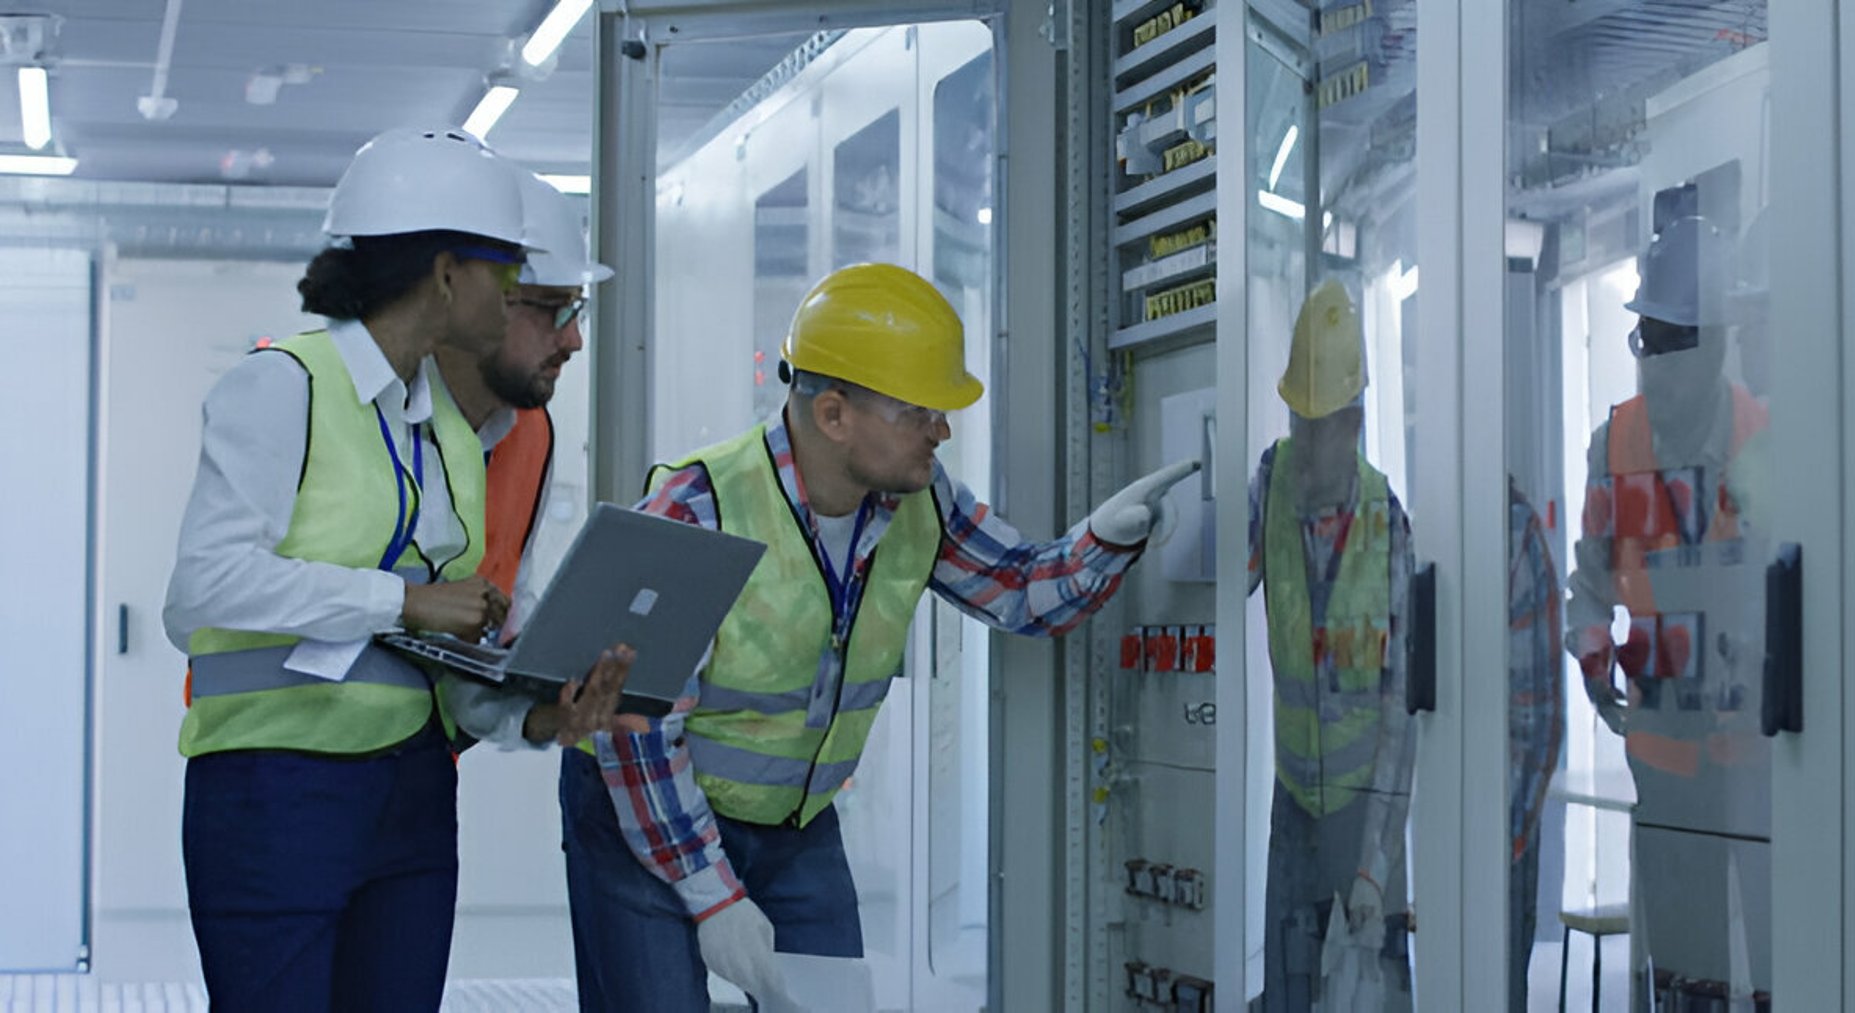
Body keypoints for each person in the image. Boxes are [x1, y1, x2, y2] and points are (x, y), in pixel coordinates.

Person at [558, 261, 1199, 1008]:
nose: (943, 430)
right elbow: (635, 722)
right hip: (643, 805)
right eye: (921, 412)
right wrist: (709, 892)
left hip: (793, 824)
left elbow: (1024, 593)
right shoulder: (699, 508)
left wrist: (1103, 539)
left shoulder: (919, 499)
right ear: (833, 414)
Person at [161, 127, 628, 1011]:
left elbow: (431, 653)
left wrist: (534, 717)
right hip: (274, 783)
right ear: (446, 273)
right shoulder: (282, 386)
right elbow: (200, 592)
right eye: (505, 271)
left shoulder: (444, 430)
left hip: (410, 788)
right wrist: (402, 598)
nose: (514, 292)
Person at [1564, 214, 1771, 1008]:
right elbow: (1588, 581)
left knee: (1770, 961)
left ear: (1716, 345)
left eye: (1669, 344)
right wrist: (1590, 655)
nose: (1652, 367)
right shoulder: (1613, 444)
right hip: (1661, 761)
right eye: (1643, 341)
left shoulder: (1764, 441)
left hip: (1751, 763)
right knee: (1685, 973)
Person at [1252, 278, 1415, 1011]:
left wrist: (1376, 867)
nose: (1306, 441)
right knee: (1287, 989)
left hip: (1365, 807)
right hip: (1294, 801)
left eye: (1321, 424)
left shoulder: (1390, 524)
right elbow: (1226, 586)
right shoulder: (1270, 482)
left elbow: (1403, 708)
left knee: (1376, 991)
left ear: (1354, 421)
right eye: (1297, 419)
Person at [432, 168, 625, 749]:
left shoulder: (530, 431)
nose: (574, 342)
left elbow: (490, 630)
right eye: (553, 309)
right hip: (283, 772)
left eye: (577, 311)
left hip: (420, 766)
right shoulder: (365, 414)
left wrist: (542, 717)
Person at [1506, 476, 1563, 1011]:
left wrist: (1508, 838)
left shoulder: (1515, 535)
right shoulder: (1432, 530)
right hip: (1450, 821)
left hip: (1501, 822)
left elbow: (1540, 715)